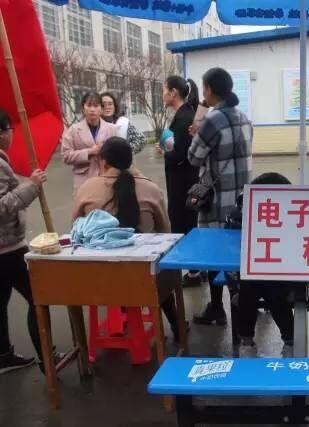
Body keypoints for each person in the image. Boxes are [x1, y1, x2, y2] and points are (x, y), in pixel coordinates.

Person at [72, 137, 183, 339]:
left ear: (103, 162)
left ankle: (108, 329)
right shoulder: (151, 189)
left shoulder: (86, 189)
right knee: (159, 268)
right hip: (144, 280)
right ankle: (177, 325)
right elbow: (165, 233)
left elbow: (75, 230)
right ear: (131, 161)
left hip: (99, 280)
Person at [188, 67, 253, 326]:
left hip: (218, 201)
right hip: (243, 201)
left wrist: (196, 133)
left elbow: (194, 157)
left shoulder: (212, 120)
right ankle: (246, 301)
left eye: (204, 88)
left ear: (209, 89)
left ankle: (217, 308)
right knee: (239, 253)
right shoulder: (244, 117)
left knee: (214, 253)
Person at [0, 108, 61, 374]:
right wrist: (32, 184)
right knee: (39, 298)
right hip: (8, 248)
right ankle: (47, 358)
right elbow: (3, 206)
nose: (12, 134)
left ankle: (4, 356)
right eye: (9, 129)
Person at [224, 172, 295, 358]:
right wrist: (233, 287)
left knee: (277, 294)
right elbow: (227, 256)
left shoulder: (294, 215)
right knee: (247, 294)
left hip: (279, 275)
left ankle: (290, 342)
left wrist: (295, 287)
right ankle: (247, 342)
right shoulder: (237, 216)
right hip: (246, 276)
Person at [158, 76, 203, 288]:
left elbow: (180, 154)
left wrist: (164, 152)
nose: (163, 95)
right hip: (184, 178)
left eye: (164, 90)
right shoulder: (184, 113)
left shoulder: (185, 117)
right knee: (188, 221)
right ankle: (197, 269)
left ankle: (194, 272)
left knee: (184, 223)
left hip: (182, 181)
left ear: (173, 92)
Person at [61, 91, 118, 192]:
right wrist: (90, 152)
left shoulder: (112, 129)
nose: (92, 109)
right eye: (89, 105)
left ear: (101, 109)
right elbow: (66, 156)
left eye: (96, 106)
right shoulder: (73, 130)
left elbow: (118, 156)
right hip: (83, 182)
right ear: (83, 108)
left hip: (107, 180)